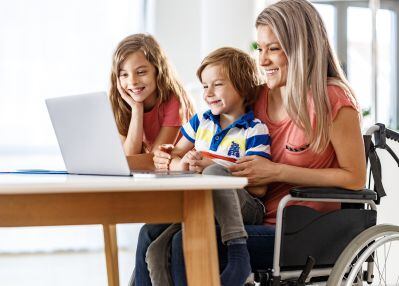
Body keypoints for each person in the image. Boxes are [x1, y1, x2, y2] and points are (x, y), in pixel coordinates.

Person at [158, 0, 367, 284]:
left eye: (273, 49)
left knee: (187, 240)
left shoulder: (332, 100)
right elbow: (213, 127)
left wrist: (278, 171)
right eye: (260, 48)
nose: (262, 60)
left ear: (301, 48)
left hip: (298, 231)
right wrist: (178, 156)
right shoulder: (257, 96)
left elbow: (354, 178)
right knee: (151, 232)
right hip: (246, 216)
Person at [136, 47, 271, 286]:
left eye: (217, 85)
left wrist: (212, 166)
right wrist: (183, 164)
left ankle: (238, 253)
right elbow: (172, 156)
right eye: (205, 86)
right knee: (155, 250)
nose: (208, 93)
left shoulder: (254, 129)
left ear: (242, 86)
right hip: (201, 204)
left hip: (244, 206)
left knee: (214, 173)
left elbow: (259, 188)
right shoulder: (202, 121)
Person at [109, 33, 194, 156]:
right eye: (124, 75)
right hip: (153, 170)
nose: (132, 81)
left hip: (184, 167)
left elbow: (155, 157)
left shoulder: (174, 100)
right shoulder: (122, 103)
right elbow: (129, 157)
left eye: (141, 72)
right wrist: (137, 109)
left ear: (158, 71)